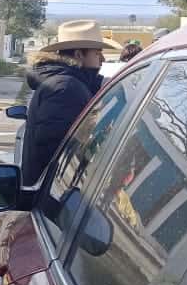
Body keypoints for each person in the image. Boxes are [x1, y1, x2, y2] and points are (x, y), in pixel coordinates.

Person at [22, 20, 116, 185]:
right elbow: (57, 153)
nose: (102, 58)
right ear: (79, 55)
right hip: (54, 195)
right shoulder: (66, 89)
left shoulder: (65, 82)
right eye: (97, 53)